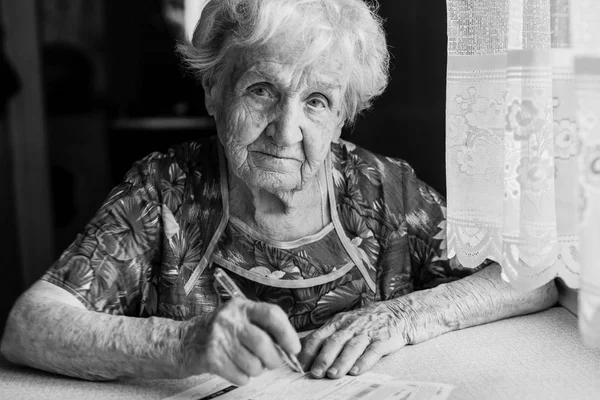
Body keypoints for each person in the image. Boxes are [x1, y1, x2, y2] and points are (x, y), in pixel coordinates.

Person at [0, 0, 558, 385]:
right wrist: (183, 345)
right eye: (262, 90)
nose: (286, 130)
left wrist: (406, 317)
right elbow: (30, 326)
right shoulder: (163, 191)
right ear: (214, 90)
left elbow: (531, 276)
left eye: (317, 100)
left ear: (344, 116)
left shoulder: (386, 191)